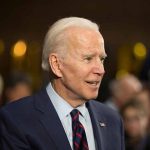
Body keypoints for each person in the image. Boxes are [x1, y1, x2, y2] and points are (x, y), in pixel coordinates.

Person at [0, 17, 125, 150]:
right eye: (88, 59)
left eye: (101, 59)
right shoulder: (15, 119)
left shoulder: (112, 120)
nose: (101, 70)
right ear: (57, 65)